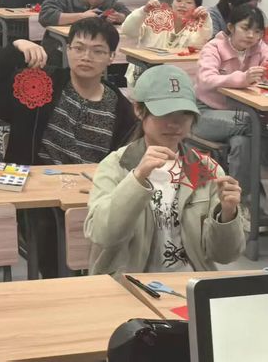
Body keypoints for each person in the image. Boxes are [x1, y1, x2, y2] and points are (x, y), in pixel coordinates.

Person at [0, 17, 137, 277]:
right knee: (52, 239)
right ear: (68, 50)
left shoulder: (121, 110)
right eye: (79, 48)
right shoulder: (41, 84)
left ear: (112, 57)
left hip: (90, 199)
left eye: (97, 51)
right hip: (38, 198)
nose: (86, 57)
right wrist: (14, 49)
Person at [85, 65, 245, 275]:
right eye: (164, 113)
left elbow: (225, 256)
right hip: (129, 284)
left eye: (185, 114)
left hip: (188, 282)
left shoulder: (204, 169)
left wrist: (227, 214)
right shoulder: (117, 165)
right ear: (139, 110)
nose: (175, 124)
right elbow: (102, 235)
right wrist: (137, 179)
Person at [194, 5, 268, 205]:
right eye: (245, 28)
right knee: (254, 124)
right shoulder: (214, 47)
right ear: (230, 27)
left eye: (257, 31)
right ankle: (258, 197)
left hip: (240, 117)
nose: (251, 35)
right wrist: (242, 78)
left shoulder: (260, 48)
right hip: (204, 114)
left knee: (242, 143)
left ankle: (239, 203)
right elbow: (206, 79)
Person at [121, 0, 211, 86]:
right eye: (178, 0)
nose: (182, 5)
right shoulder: (157, 17)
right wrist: (143, 11)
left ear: (197, 7)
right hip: (142, 77)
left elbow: (197, 45)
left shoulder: (196, 25)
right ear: (172, 2)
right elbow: (128, 31)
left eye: (189, 2)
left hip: (175, 83)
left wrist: (205, 21)